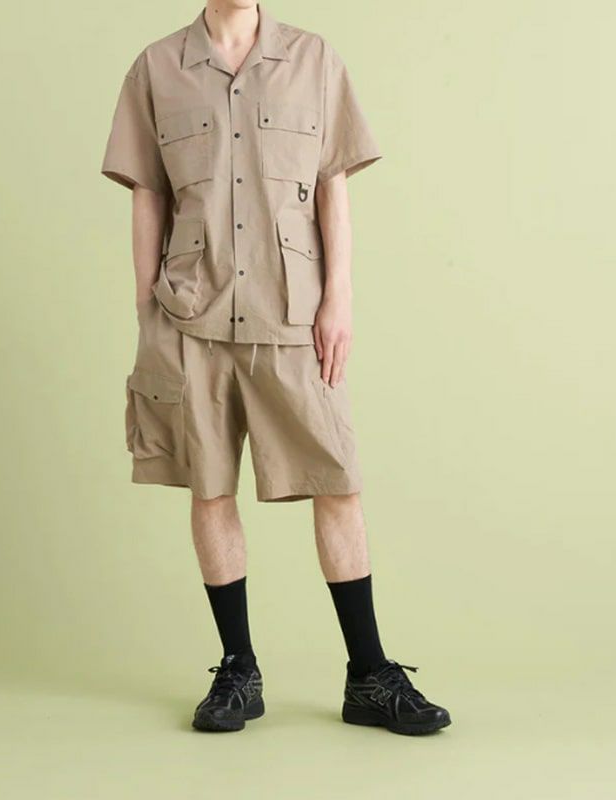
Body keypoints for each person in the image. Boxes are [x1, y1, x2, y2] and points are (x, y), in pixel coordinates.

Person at [100, 1, 451, 735]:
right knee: (209, 487)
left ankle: (369, 674)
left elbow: (332, 185)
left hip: (293, 313)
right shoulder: (156, 68)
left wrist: (339, 298)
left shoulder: (315, 61)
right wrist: (145, 311)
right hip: (189, 313)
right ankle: (238, 670)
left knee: (337, 482)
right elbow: (148, 193)